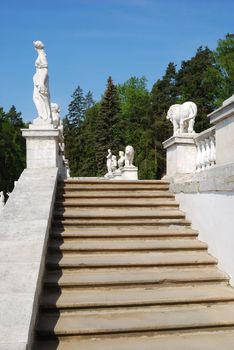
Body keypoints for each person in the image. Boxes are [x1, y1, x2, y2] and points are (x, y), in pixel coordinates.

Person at [33, 40, 52, 122]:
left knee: (42, 98)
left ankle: (45, 117)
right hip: (38, 79)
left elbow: (45, 69)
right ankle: (42, 115)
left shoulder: (42, 56)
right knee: (36, 98)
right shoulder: (41, 55)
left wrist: (42, 82)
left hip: (41, 79)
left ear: (36, 47)